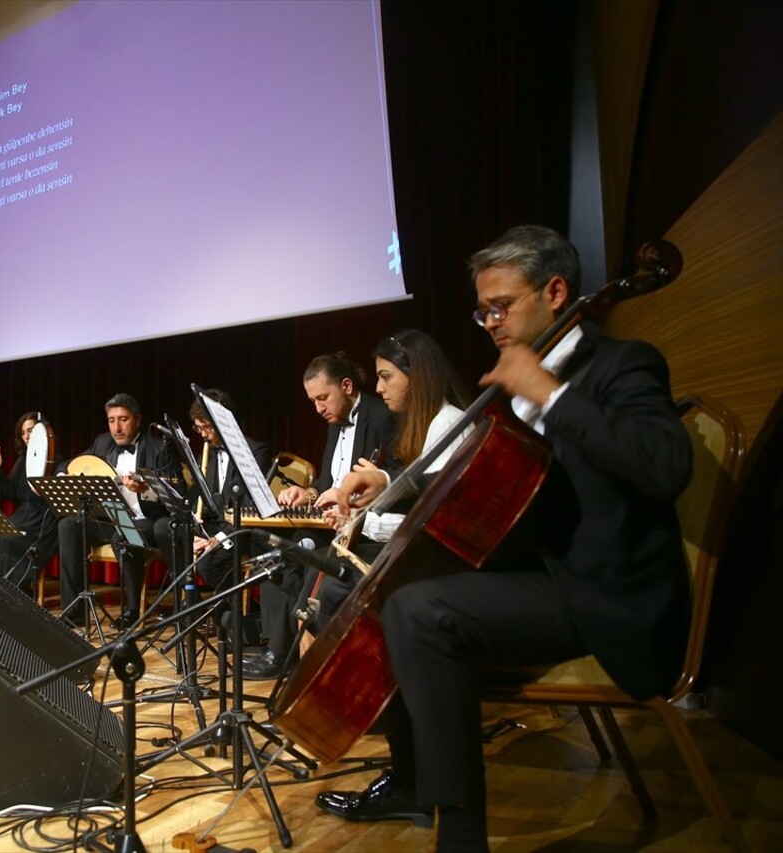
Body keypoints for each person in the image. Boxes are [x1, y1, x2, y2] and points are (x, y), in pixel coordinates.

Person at [313, 226, 693, 853]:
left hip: (611, 594)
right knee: (391, 600)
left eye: (501, 305)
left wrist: (546, 391)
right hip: (547, 579)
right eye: (481, 309)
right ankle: (416, 786)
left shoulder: (622, 364)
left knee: (417, 612)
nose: (489, 321)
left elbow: (666, 465)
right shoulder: (506, 398)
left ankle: (459, 836)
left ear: (556, 291)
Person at [245, 352, 397, 679]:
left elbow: (391, 481)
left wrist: (345, 498)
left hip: (360, 527)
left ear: (346, 386)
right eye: (313, 401)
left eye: (323, 398)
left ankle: (296, 653)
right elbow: (328, 481)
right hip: (327, 524)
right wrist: (308, 493)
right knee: (278, 557)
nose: (318, 408)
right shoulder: (334, 423)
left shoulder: (383, 417)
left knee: (305, 564)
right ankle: (280, 649)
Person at [309, 329, 474, 629]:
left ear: (417, 375)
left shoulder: (448, 423)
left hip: (438, 565)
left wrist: (361, 522)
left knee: (334, 586)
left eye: (387, 377)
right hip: (420, 553)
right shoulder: (430, 425)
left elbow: (434, 522)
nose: (379, 387)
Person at [56, 392, 181, 630]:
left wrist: (146, 489)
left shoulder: (159, 448)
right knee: (68, 525)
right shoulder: (102, 442)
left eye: (123, 419)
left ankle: (132, 610)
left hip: (146, 520)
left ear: (137, 420)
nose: (117, 427)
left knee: (124, 533)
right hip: (110, 517)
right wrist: (63, 474)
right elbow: (69, 463)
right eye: (111, 420)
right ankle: (75, 610)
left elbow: (178, 493)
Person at [152, 389, 272, 593]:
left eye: (207, 428)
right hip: (211, 525)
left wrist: (218, 539)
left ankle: (235, 611)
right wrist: (191, 523)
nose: (203, 435)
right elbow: (195, 496)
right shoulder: (206, 455)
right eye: (199, 429)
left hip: (238, 530)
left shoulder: (255, 452)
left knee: (207, 564)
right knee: (164, 527)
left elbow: (250, 509)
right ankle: (190, 600)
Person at [0, 412, 63, 596]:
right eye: (23, 432)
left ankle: (17, 591)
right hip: (23, 515)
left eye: (31, 430)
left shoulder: (55, 460)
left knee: (11, 537)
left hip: (43, 519)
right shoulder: (22, 461)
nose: (27, 435)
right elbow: (7, 493)